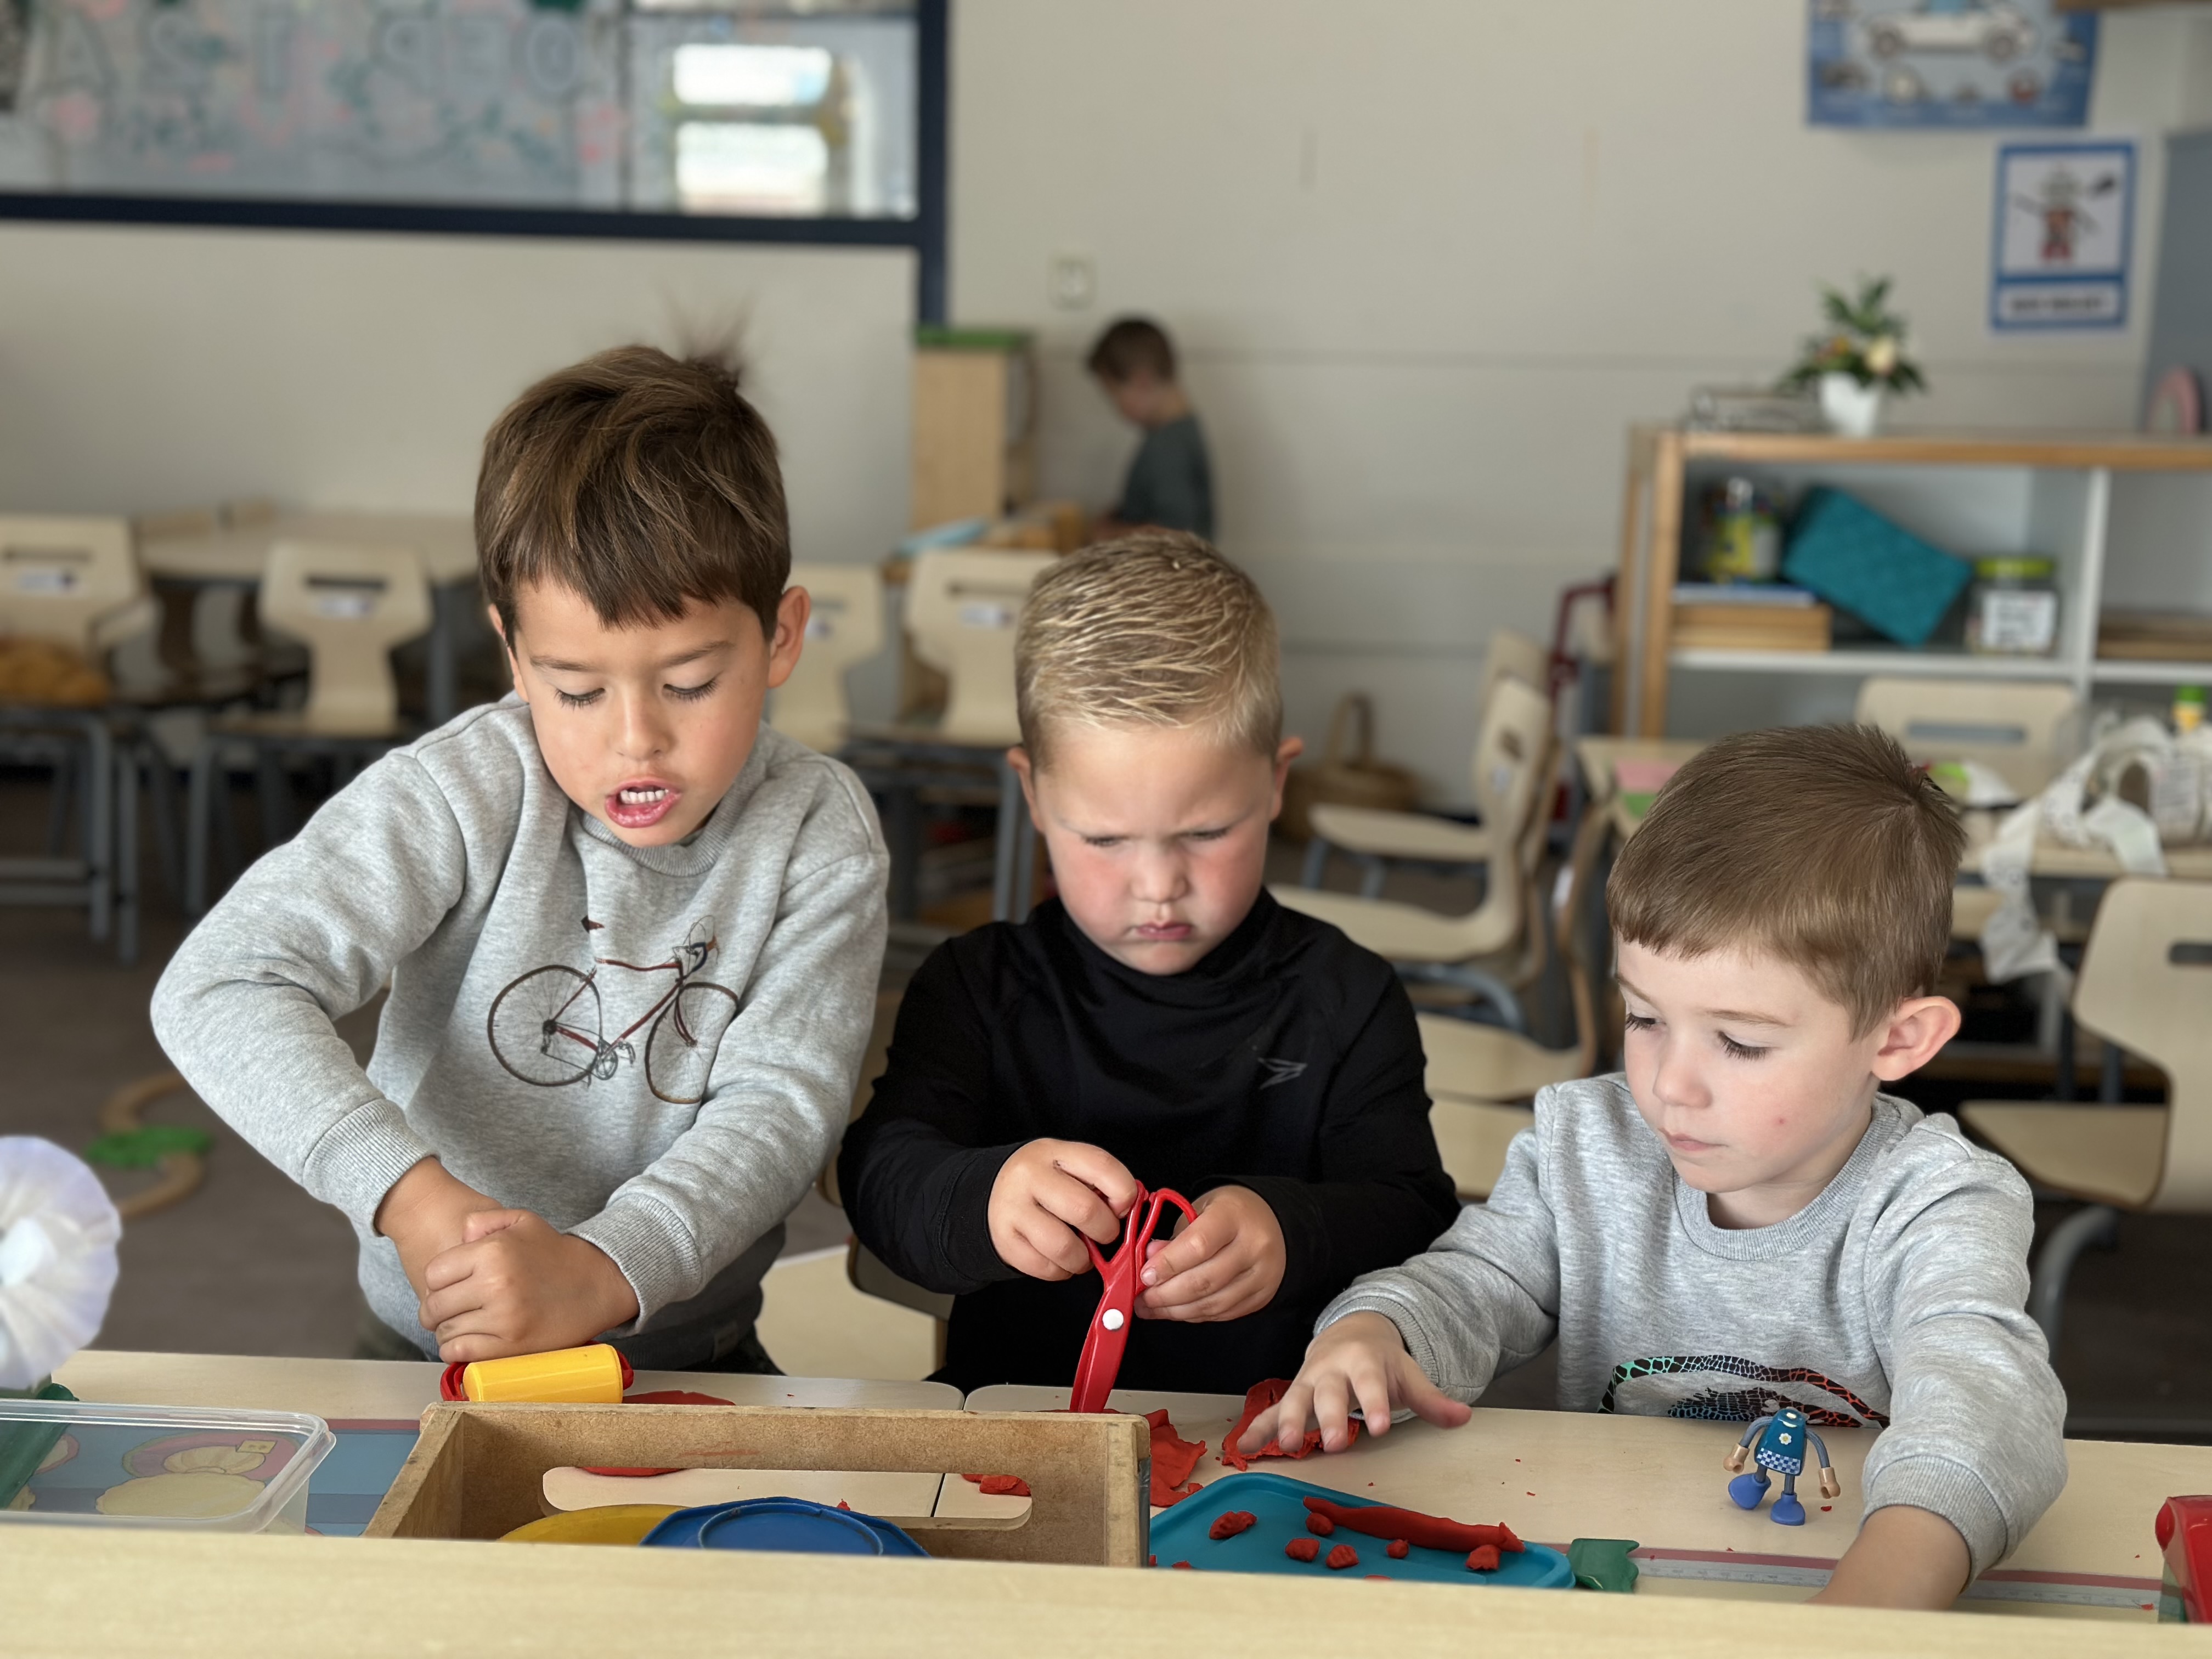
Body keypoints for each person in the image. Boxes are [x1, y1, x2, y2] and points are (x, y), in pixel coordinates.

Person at [152, 346, 889, 1373]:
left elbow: (779, 1107)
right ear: (513, 652)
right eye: (577, 690)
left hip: (690, 1353)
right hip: (429, 1345)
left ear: (780, 637)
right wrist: (411, 1198)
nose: (635, 740)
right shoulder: (461, 792)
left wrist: (602, 1269)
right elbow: (221, 984)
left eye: (688, 682)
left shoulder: (815, 830)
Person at [1240, 725, 2067, 1611]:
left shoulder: (1938, 1198)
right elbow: (1477, 1281)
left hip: (1839, 1575)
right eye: (1643, 1018)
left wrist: (1871, 1604)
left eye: (1739, 1041)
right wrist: (1377, 1331)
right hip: (1621, 1567)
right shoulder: (1588, 1145)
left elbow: (1983, 1398)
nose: (1670, 1084)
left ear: (1897, 1039)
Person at [838, 532, 1458, 1396]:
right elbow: (880, 1177)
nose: (1160, 885)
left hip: (1279, 1438)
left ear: (1277, 783)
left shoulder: (1347, 997)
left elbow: (1415, 1211)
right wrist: (985, 1198)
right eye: (1105, 839)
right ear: (1033, 794)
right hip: (1019, 1437)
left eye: (1207, 832)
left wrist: (1292, 1231)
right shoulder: (978, 988)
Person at [1087, 317, 1214, 541]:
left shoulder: (1168, 447)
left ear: (1142, 381)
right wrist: (1119, 515)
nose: (1116, 408)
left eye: (1114, 394)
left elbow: (1177, 533)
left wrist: (1108, 534)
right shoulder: (1178, 433)